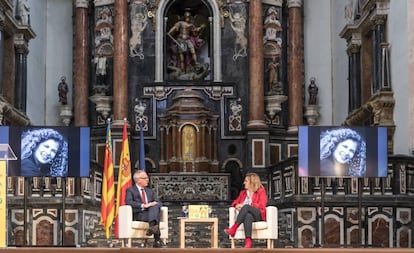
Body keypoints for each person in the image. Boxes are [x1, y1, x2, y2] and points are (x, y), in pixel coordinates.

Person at [224, 172, 267, 248]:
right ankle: (248, 241)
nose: (244, 183)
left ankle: (234, 228)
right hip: (249, 216)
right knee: (248, 216)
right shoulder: (243, 193)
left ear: (252, 181)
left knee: (246, 207)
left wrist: (247, 206)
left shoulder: (260, 191)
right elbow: (235, 202)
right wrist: (236, 205)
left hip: (258, 214)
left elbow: (262, 205)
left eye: (246, 181)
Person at [126, 170, 166, 248]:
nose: (148, 180)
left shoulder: (150, 191)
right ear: (138, 180)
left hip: (150, 214)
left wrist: (152, 204)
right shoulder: (131, 190)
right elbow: (129, 202)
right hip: (139, 214)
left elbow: (159, 202)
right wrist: (144, 205)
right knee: (155, 214)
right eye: (145, 178)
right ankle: (157, 239)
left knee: (154, 206)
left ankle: (152, 225)